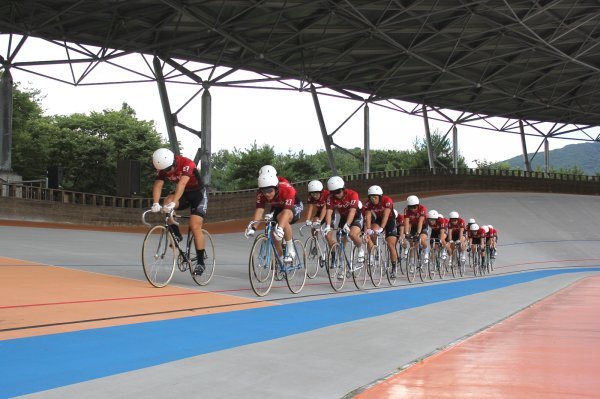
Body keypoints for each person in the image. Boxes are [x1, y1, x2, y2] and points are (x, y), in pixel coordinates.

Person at [150, 148, 207, 275]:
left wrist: (174, 203)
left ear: (174, 162)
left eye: (168, 169)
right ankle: (176, 234)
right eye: (164, 170)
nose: (167, 172)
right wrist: (155, 203)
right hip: (184, 195)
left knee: (194, 225)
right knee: (166, 201)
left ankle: (201, 263)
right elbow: (158, 185)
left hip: (198, 195)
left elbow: (181, 184)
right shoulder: (163, 167)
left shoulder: (187, 163)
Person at [245, 173, 303, 263]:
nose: (267, 194)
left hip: (294, 206)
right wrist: (253, 227)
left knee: (282, 218)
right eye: (264, 191)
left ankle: (291, 250)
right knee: (272, 233)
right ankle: (280, 259)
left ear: (276, 188)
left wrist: (280, 228)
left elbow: (287, 211)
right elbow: (259, 210)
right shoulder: (260, 194)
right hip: (278, 206)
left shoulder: (286, 189)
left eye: (270, 191)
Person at [322, 176, 365, 261]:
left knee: (352, 234)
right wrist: (327, 226)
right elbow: (329, 212)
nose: (336, 195)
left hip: (356, 216)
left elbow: (352, 211)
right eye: (333, 192)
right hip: (344, 218)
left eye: (338, 191)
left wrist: (348, 224)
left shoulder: (353, 194)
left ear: (343, 188)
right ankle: (341, 263)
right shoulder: (330, 198)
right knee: (340, 240)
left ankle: (360, 249)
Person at [363, 185, 399, 276]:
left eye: (375, 197)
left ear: (380, 197)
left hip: (390, 220)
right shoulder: (368, 203)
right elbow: (368, 216)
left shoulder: (387, 201)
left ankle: (394, 267)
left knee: (391, 244)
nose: (373, 199)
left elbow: (386, 215)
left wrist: (382, 228)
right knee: (372, 232)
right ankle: (376, 248)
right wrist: (368, 229)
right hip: (378, 219)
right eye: (371, 197)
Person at [403, 195, 430, 263]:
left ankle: (426, 251)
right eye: (411, 207)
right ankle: (411, 263)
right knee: (412, 244)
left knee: (422, 239)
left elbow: (420, 222)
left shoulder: (422, 208)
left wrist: (418, 233)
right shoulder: (406, 210)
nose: (413, 209)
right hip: (414, 226)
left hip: (423, 225)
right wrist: (406, 233)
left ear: (418, 205)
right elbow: (406, 222)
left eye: (414, 207)